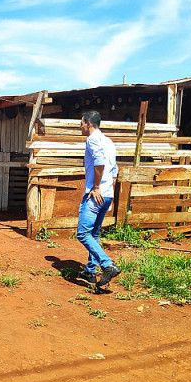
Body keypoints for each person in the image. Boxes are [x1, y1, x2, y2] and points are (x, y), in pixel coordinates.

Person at [77, 110, 120, 287]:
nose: (79, 127)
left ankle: (107, 264)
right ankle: (90, 271)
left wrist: (95, 187)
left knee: (82, 233)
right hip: (107, 194)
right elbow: (115, 170)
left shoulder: (92, 139)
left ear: (88, 123)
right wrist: (110, 193)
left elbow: (99, 161)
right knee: (94, 233)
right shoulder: (108, 141)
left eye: (81, 123)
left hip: (96, 194)